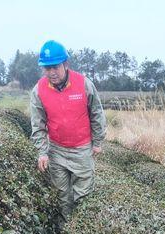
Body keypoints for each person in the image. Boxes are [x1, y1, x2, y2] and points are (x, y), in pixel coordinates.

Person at [30, 40, 106, 222]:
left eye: (55, 67)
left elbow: (97, 113)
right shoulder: (38, 90)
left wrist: (97, 142)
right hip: (56, 149)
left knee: (83, 196)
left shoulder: (84, 84)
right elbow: (38, 125)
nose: (52, 72)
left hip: (82, 149)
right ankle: (65, 230)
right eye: (47, 68)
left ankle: (82, 230)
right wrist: (42, 152)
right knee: (62, 197)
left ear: (65, 64)